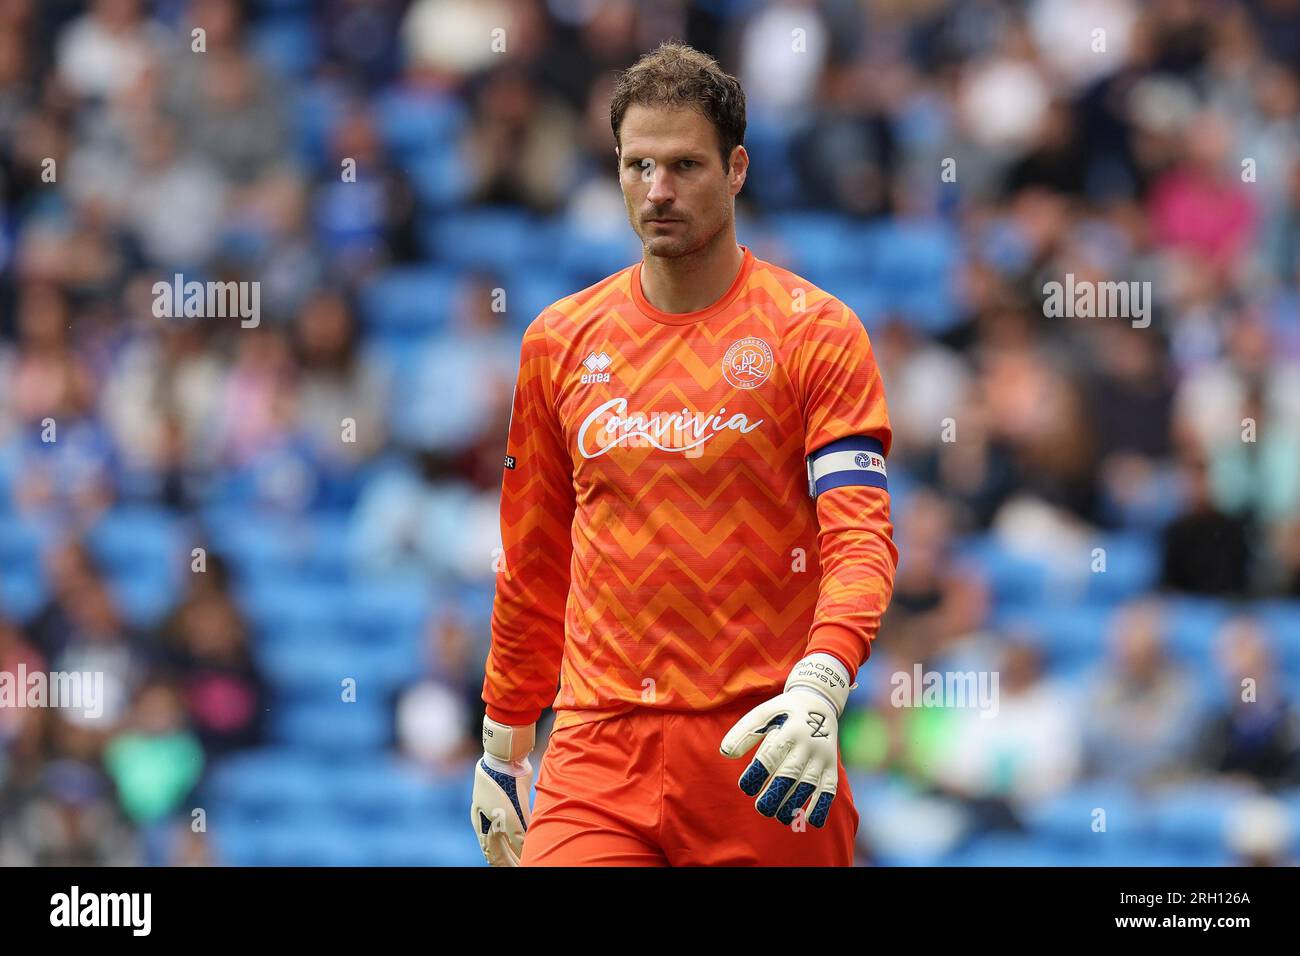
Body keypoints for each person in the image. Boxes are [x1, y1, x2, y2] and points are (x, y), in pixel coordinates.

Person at [470, 41, 898, 866]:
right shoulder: (559, 343)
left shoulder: (815, 334)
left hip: (765, 748)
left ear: (737, 169)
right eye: (637, 166)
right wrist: (503, 740)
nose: (657, 191)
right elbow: (533, 557)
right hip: (597, 750)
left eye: (684, 166)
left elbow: (860, 539)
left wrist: (822, 681)